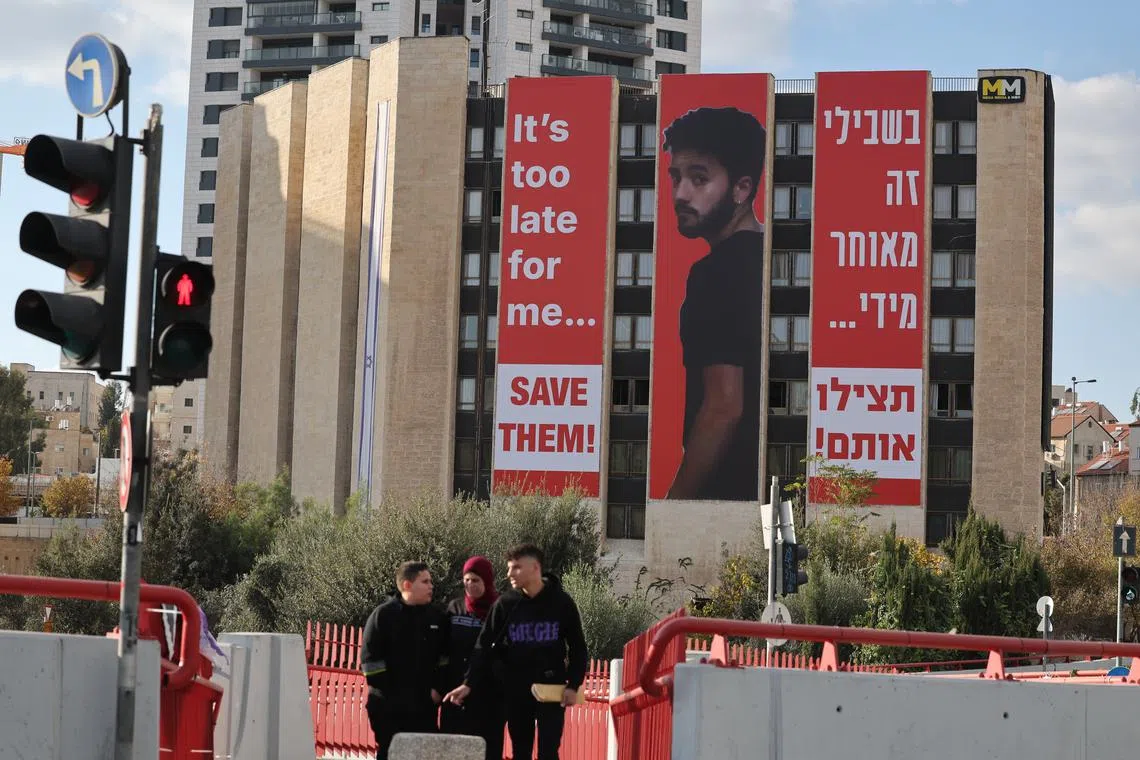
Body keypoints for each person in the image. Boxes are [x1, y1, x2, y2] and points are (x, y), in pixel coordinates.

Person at [661, 105, 768, 502]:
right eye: (676, 178)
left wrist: (676, 506)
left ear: (741, 188)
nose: (681, 194)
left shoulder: (716, 272)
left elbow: (724, 405)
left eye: (699, 178)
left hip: (726, 495)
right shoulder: (772, 259)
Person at [443, 544, 588, 760]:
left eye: (516, 567)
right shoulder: (505, 604)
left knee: (548, 752)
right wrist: (468, 682)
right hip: (516, 690)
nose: (509, 573)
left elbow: (577, 646)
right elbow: (483, 646)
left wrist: (573, 684)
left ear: (535, 568)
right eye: (509, 567)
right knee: (521, 751)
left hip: (552, 688)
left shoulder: (561, 602)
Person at [359, 561, 450, 760]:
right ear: (408, 585)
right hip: (388, 710)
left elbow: (444, 659)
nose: (431, 586)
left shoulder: (436, 617)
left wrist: (437, 689)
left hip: (424, 708)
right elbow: (370, 663)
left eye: (431, 581)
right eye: (425, 581)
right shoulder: (383, 616)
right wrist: (396, 695)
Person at [440, 556, 507, 760]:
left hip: (489, 698)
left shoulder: (499, 610)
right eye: (466, 579)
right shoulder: (454, 608)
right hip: (454, 695)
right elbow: (442, 648)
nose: (470, 584)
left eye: (475, 580)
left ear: (487, 581)